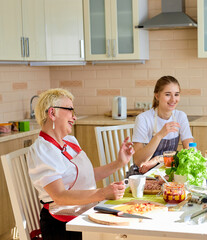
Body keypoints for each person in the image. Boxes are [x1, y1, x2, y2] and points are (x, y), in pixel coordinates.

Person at [27, 88, 134, 240]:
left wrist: (119, 162)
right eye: (70, 110)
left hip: (84, 212)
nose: (74, 117)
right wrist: (103, 193)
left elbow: (87, 175)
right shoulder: (42, 150)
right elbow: (59, 196)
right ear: (52, 113)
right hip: (62, 224)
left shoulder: (70, 142)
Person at [130, 76, 193, 175]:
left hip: (168, 172)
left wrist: (158, 159)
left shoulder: (181, 116)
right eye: (168, 94)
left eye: (176, 94)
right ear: (157, 96)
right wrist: (159, 135)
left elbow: (190, 153)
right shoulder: (143, 119)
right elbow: (138, 161)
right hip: (143, 174)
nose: (173, 99)